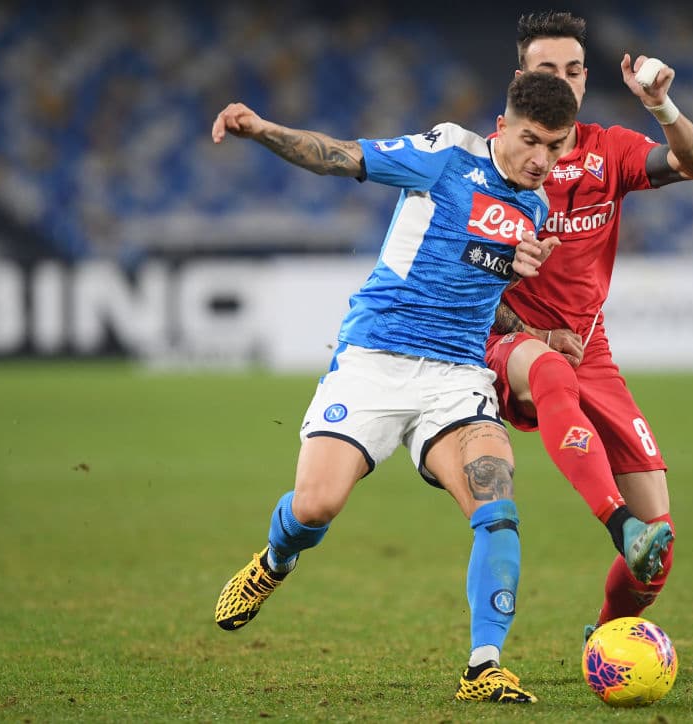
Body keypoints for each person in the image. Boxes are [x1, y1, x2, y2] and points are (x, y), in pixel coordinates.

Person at [211, 70, 579, 704]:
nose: (541, 159)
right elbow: (341, 156)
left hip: (456, 375)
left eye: (555, 146)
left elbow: (479, 292)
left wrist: (536, 333)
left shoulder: (536, 207)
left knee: (497, 504)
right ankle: (273, 561)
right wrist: (263, 130)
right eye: (530, 141)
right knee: (316, 506)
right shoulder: (446, 155)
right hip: (376, 357)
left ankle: (484, 667)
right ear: (502, 128)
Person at [484, 12, 693, 636]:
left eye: (574, 70)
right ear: (520, 81)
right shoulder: (492, 158)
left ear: (586, 79)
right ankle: (616, 522)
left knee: (658, 546)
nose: (563, 80)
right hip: (503, 341)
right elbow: (457, 266)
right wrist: (531, 333)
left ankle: (607, 634)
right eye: (547, 70)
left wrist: (662, 107)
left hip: (589, 348)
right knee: (549, 369)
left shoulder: (609, 149)